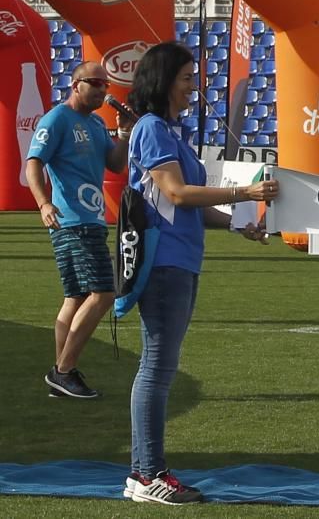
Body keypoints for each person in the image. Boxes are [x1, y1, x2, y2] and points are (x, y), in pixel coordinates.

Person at [123, 41, 278, 505]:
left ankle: (145, 471)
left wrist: (239, 224)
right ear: (165, 81)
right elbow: (176, 194)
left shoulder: (169, 131)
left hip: (182, 258)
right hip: (165, 259)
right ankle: (147, 472)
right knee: (157, 367)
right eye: (187, 78)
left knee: (160, 366)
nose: (195, 86)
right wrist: (242, 194)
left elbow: (190, 204)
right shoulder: (152, 129)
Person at [25, 61, 134, 399]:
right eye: (95, 83)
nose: (103, 90)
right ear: (75, 85)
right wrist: (44, 203)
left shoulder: (98, 123)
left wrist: (125, 133)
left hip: (89, 220)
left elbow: (115, 164)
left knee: (75, 296)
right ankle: (64, 370)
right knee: (102, 293)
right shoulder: (57, 119)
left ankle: (61, 376)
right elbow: (33, 163)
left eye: (105, 85)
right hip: (72, 220)